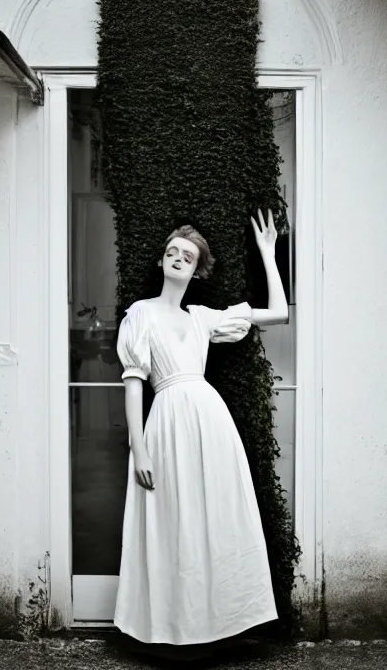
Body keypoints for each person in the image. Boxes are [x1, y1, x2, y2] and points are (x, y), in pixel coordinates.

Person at [114, 209, 289, 645]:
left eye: (187, 256)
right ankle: (170, 630)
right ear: (161, 263)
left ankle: (218, 627)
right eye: (171, 252)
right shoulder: (141, 313)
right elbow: (134, 380)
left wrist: (269, 253)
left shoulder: (202, 317)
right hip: (167, 422)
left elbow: (280, 314)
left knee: (214, 517)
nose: (177, 258)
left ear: (196, 270)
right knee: (172, 521)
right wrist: (139, 447)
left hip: (210, 423)